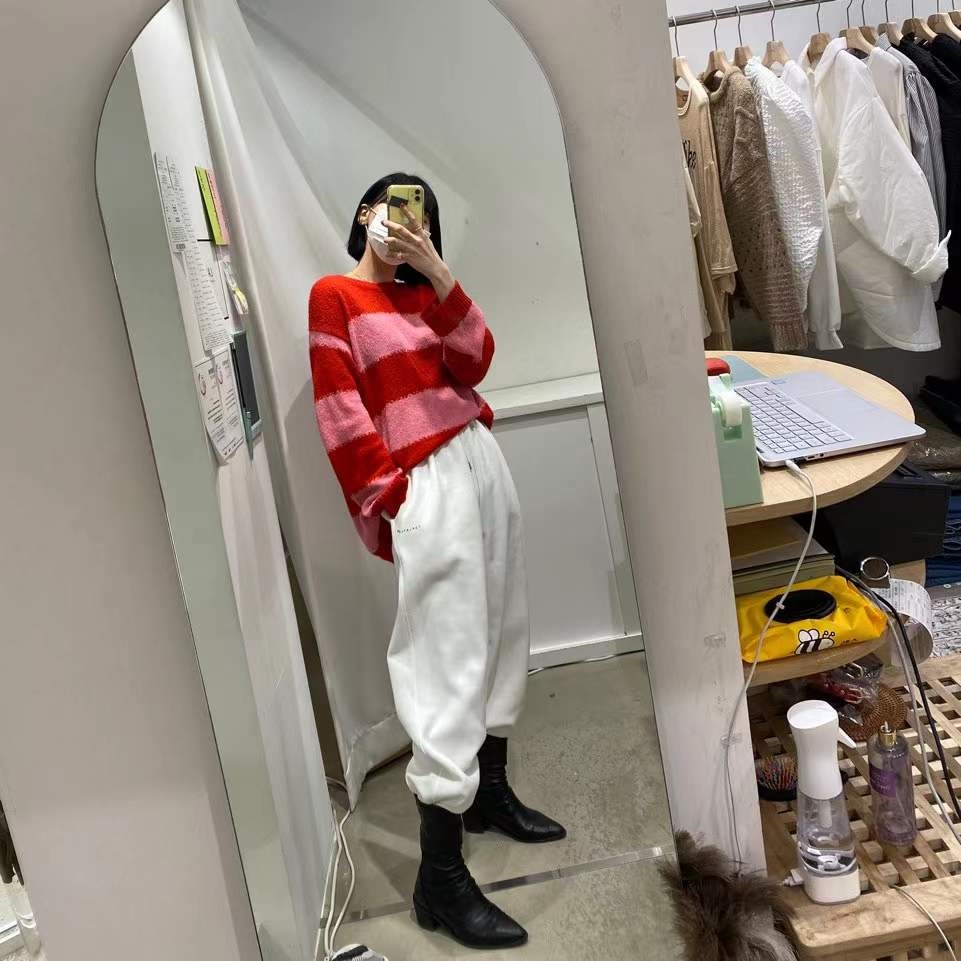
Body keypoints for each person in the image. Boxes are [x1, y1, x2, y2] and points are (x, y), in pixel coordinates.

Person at [308, 173, 565, 949]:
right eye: (389, 205)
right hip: (426, 483)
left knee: (502, 632)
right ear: (364, 213)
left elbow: (475, 360)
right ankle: (441, 879)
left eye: (417, 213)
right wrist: (390, 497)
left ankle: (489, 791)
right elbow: (338, 407)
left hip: (479, 461)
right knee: (445, 658)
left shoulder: (426, 295)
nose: (401, 221)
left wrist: (439, 272)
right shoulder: (333, 296)